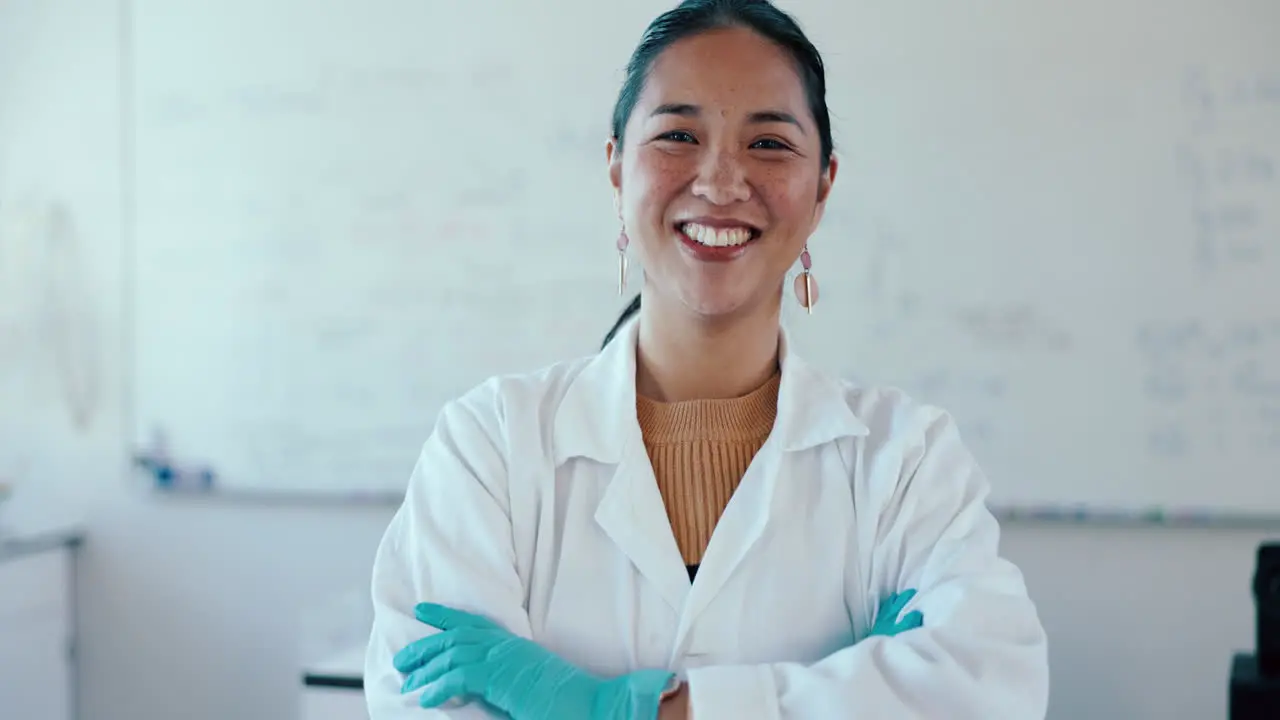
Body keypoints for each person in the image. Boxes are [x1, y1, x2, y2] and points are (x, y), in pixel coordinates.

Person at [364, 0, 1050, 718]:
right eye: (678, 135)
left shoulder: (907, 462)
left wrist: (617, 709)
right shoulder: (491, 446)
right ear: (615, 169)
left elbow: (989, 689)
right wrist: (844, 694)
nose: (721, 184)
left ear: (822, 187)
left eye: (770, 145)